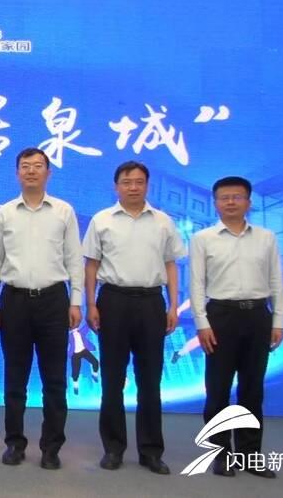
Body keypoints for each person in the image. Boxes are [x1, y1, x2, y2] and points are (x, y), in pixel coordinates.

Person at [83, 160, 186, 475]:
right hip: (113, 301)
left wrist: (173, 305)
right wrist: (91, 304)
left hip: (151, 302)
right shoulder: (102, 220)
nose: (133, 187)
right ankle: (113, 448)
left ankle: (151, 451)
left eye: (139, 182)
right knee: (112, 380)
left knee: (150, 381)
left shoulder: (163, 221)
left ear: (147, 185)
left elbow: (171, 265)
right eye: (127, 182)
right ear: (116, 186)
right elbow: (91, 265)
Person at [0, 147, 82, 470]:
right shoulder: (5, 213)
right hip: (14, 301)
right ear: (17, 173)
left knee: (54, 380)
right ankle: (14, 443)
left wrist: (76, 301)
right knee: (15, 379)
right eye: (25, 166)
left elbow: (74, 259)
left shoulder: (64, 211)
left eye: (37, 166)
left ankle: (51, 448)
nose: (31, 171)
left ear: (48, 173)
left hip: (54, 301)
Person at [191, 176, 283, 479]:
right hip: (221, 316)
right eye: (224, 197)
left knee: (252, 390)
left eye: (237, 196)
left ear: (248, 202)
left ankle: (249, 454)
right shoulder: (203, 238)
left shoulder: (266, 237)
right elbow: (197, 284)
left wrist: (278, 320)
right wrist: (202, 323)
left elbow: (276, 281)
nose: (230, 202)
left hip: (258, 316)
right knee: (217, 390)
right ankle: (220, 455)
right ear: (215, 203)